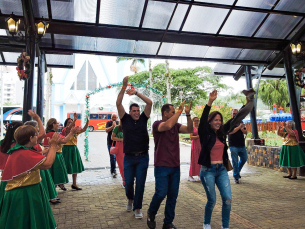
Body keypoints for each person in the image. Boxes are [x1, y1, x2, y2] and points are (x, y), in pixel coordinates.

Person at [198, 89, 255, 229]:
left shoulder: (223, 132)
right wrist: (210, 102)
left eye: (220, 120)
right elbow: (203, 120)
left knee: (228, 200)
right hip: (207, 171)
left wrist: (248, 102)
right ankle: (206, 223)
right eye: (215, 120)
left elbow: (235, 119)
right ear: (210, 122)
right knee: (212, 200)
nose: (218, 122)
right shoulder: (205, 133)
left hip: (221, 170)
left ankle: (225, 226)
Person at [0, 124, 61, 229]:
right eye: (36, 135)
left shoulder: (21, 150)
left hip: (25, 190)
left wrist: (50, 149)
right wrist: (53, 146)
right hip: (25, 192)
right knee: (25, 220)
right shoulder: (23, 152)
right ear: (30, 138)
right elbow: (47, 164)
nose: (38, 137)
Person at [147, 101, 193, 229]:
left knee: (172, 196)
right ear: (165, 113)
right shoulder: (157, 124)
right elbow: (167, 126)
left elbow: (189, 130)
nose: (175, 113)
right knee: (161, 193)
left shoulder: (176, 126)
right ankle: (151, 213)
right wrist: (179, 111)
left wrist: (188, 115)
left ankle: (168, 222)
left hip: (175, 166)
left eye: (176, 112)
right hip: (161, 165)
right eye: (172, 112)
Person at [116, 76, 152, 219]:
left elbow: (150, 102)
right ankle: (130, 199)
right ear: (130, 112)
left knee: (141, 184)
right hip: (129, 157)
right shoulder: (125, 119)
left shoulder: (144, 118)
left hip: (143, 156)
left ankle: (138, 208)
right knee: (129, 183)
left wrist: (136, 93)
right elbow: (118, 103)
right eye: (134, 111)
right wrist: (124, 87)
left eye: (138, 110)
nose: (137, 113)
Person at [24, 112, 59, 205]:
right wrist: (53, 147)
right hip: (30, 178)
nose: (38, 130)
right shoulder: (27, 146)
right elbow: (47, 164)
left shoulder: (26, 144)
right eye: (36, 130)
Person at [43, 118, 77, 191]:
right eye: (57, 124)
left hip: (47, 155)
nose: (58, 125)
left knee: (51, 175)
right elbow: (64, 140)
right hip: (55, 155)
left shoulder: (46, 133)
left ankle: (53, 194)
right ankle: (52, 195)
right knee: (55, 175)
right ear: (53, 124)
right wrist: (72, 133)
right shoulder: (53, 134)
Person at [62, 115, 89, 190]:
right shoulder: (65, 130)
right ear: (66, 123)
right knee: (65, 166)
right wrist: (74, 120)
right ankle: (61, 183)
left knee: (75, 166)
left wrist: (88, 121)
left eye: (71, 122)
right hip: (66, 149)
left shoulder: (74, 132)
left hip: (74, 149)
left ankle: (74, 184)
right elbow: (67, 130)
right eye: (69, 122)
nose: (70, 124)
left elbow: (83, 129)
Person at [0, 121, 23, 206]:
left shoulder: (2, 143)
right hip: (19, 178)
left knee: (4, 200)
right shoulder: (19, 145)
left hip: (5, 176)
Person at [227, 109, 248, 184]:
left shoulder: (241, 121)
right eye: (233, 113)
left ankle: (237, 172)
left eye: (236, 113)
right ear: (231, 114)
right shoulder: (229, 122)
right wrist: (239, 127)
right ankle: (236, 177)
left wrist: (243, 130)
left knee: (244, 158)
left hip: (241, 145)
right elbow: (230, 132)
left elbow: (246, 132)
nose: (235, 114)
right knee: (235, 161)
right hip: (233, 145)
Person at [111, 121, 125, 187]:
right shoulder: (117, 128)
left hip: (128, 148)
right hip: (119, 148)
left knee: (129, 165)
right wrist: (120, 139)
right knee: (122, 165)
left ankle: (129, 179)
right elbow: (112, 137)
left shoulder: (129, 127)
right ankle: (124, 181)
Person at [105, 114, 119, 178]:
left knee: (117, 157)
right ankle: (113, 170)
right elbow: (106, 130)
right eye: (112, 117)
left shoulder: (119, 123)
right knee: (112, 157)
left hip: (118, 143)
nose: (113, 118)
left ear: (117, 118)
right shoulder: (108, 122)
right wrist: (112, 127)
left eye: (115, 117)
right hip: (110, 143)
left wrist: (115, 126)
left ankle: (114, 169)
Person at [188, 116, 201, 182]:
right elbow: (191, 137)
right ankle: (190, 175)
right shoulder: (192, 129)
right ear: (193, 122)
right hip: (195, 146)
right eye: (195, 120)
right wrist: (198, 136)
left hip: (200, 146)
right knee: (194, 160)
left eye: (197, 120)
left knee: (200, 160)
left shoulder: (200, 128)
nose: (196, 122)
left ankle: (199, 175)